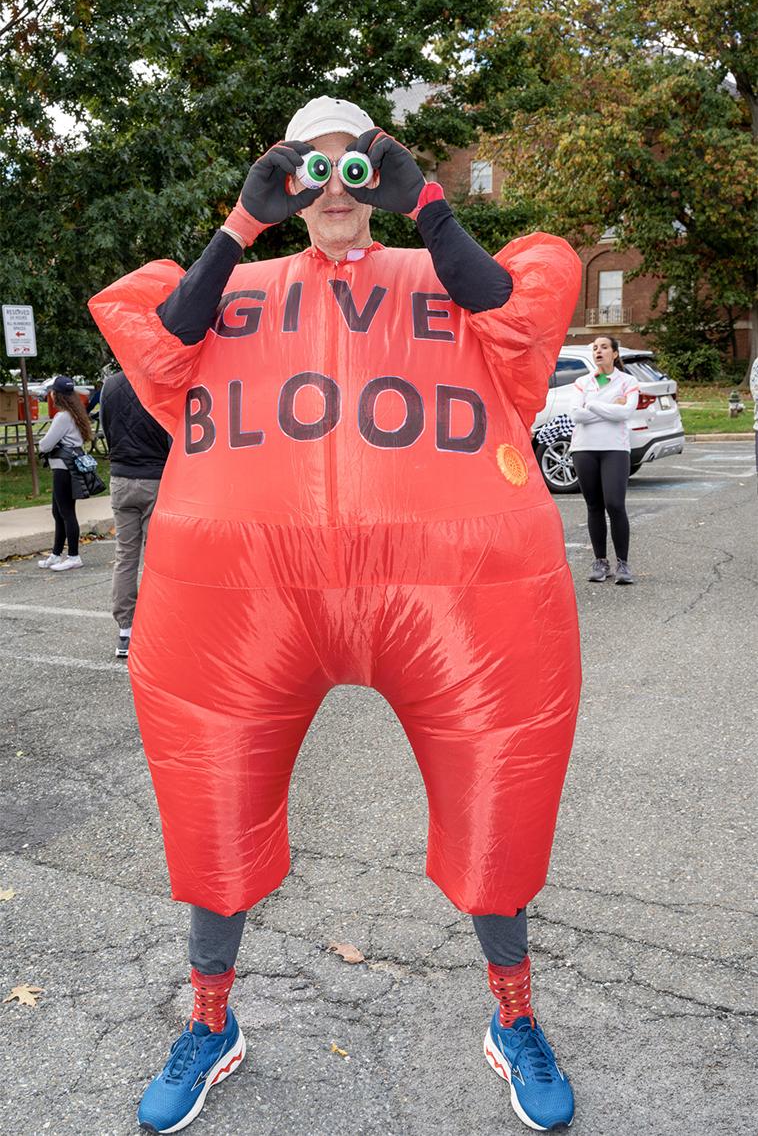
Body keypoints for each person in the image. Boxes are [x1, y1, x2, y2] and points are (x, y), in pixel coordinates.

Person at [89, 96, 583, 1134]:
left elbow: (522, 321)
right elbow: (160, 353)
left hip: (449, 595)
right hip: (249, 600)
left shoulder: (444, 278)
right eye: (306, 171)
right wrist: (241, 222)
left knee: (498, 807)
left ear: (381, 174)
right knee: (213, 812)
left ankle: (515, 1015)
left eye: (352, 166)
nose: (330, 189)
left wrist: (429, 205)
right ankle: (209, 1022)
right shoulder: (235, 289)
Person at [100, 368, 171, 658]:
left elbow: (106, 428)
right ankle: (157, 625)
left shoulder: (110, 386)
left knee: (125, 556)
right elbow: (170, 433)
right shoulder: (159, 384)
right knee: (156, 556)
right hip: (155, 477)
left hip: (121, 477)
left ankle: (125, 630)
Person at [568, 335, 640, 584]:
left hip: (615, 449)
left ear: (615, 353)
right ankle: (601, 562)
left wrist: (592, 405)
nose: (598, 351)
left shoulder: (628, 382)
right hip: (584, 448)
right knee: (594, 506)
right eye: (595, 348)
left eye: (604, 347)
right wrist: (609, 406)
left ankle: (623, 564)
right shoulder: (582, 382)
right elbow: (576, 415)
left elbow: (626, 412)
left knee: (615, 504)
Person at [37, 375, 92, 572]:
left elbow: (45, 445)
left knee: (66, 513)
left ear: (56, 395)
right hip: (68, 467)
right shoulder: (75, 413)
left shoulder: (62, 417)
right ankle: (56, 554)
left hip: (63, 469)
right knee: (58, 512)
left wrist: (41, 443)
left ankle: (74, 556)